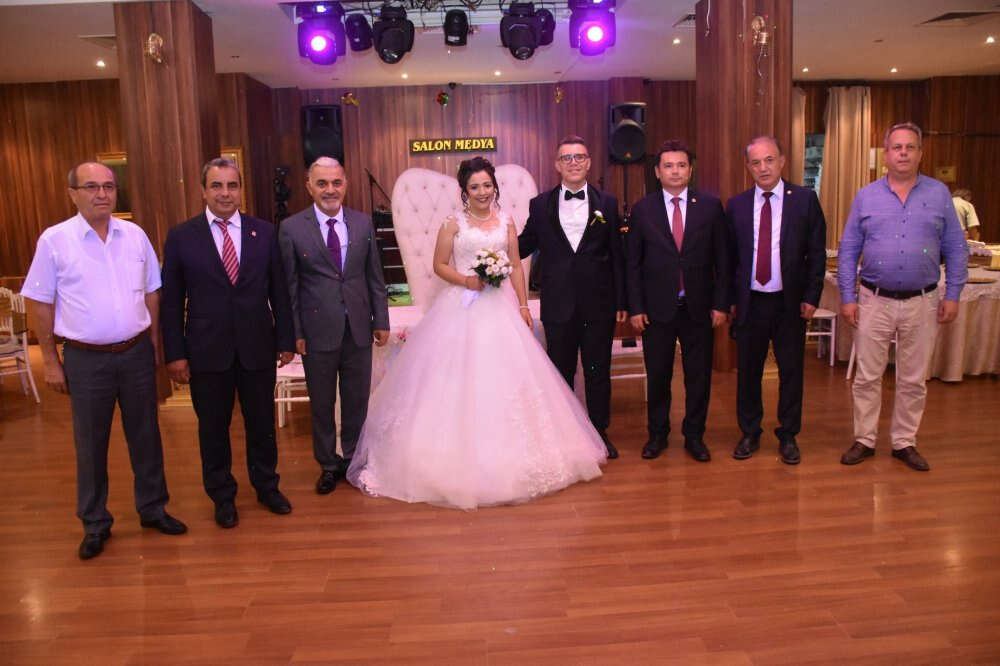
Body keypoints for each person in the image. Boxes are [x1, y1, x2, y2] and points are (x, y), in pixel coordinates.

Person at [347, 156, 606, 509]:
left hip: (500, 307)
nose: (482, 192)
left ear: (494, 187)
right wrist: (467, 279)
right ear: (464, 191)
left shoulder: (507, 221)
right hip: (462, 305)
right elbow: (439, 265)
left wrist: (523, 305)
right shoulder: (453, 224)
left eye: (487, 185)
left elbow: (515, 266)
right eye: (475, 187)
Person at [22, 161, 187, 560]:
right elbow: (39, 302)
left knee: (146, 435)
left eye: (109, 187)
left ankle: (153, 508)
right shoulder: (55, 241)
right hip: (86, 359)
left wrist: (153, 344)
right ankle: (95, 522)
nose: (102, 194)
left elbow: (152, 293)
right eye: (91, 187)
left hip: (135, 353)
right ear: (72, 194)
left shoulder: (134, 236)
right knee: (91, 443)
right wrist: (51, 360)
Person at [160, 158, 296, 528]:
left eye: (232, 186)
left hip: (257, 347)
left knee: (262, 425)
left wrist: (285, 339)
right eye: (217, 186)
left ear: (240, 190)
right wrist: (175, 354)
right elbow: (171, 302)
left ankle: (267, 487)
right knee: (213, 429)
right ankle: (222, 496)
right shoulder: (182, 237)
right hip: (206, 351)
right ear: (203, 190)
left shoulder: (263, 232)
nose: (225, 193)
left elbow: (280, 292)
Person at [838, 122, 968, 471]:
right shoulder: (866, 196)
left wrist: (953, 293)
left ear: (921, 153)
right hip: (874, 299)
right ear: (886, 154)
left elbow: (956, 248)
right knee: (867, 376)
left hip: (923, 301)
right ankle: (864, 439)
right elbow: (848, 249)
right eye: (897, 147)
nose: (903, 153)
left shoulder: (939, 195)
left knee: (913, 379)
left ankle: (904, 442)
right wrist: (848, 296)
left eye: (910, 147)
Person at [278, 156, 390, 495]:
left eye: (336, 183)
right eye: (322, 183)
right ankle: (328, 465)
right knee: (322, 403)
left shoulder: (362, 223)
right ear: (309, 187)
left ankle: (353, 461)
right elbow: (289, 287)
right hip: (316, 332)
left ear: (346, 185)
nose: (330, 190)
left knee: (356, 400)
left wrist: (381, 319)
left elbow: (375, 277)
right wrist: (295, 333)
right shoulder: (292, 228)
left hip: (358, 327)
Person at [518, 135, 627, 459]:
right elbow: (523, 245)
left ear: (589, 162)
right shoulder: (539, 205)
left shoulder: (608, 203)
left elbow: (617, 255)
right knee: (560, 373)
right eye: (567, 158)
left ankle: (599, 433)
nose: (574, 162)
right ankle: (565, 437)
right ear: (557, 165)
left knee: (597, 372)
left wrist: (622, 301)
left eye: (579, 156)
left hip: (599, 304)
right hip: (558, 304)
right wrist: (493, 239)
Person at [626, 140, 730, 463]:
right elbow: (633, 264)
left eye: (681, 165)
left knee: (698, 377)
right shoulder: (643, 209)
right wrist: (636, 307)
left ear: (690, 170)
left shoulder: (710, 207)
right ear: (657, 172)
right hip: (656, 310)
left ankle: (694, 435)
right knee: (658, 376)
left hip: (700, 308)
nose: (675, 171)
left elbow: (723, 260)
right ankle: (657, 434)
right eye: (668, 166)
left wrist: (721, 304)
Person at [727, 137, 827, 464]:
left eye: (769, 160)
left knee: (791, 372)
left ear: (782, 161)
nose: (763, 168)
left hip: (790, 303)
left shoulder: (805, 201)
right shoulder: (737, 205)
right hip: (751, 303)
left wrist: (812, 296)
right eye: (756, 162)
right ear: (748, 167)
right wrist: (730, 300)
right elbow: (729, 259)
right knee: (748, 372)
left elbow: (816, 253)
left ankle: (788, 435)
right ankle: (750, 432)